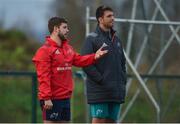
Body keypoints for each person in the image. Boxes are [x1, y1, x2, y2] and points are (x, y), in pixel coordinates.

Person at [32, 17, 108, 123]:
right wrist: (46, 98)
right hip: (52, 99)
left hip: (65, 98)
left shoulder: (68, 48)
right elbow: (43, 76)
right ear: (56, 29)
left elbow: (79, 60)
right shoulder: (44, 51)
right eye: (65, 27)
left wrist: (94, 56)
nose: (67, 30)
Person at [81, 5, 127, 123]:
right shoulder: (91, 39)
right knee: (99, 120)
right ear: (100, 19)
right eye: (109, 16)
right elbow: (85, 63)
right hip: (100, 91)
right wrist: (101, 80)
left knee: (112, 121)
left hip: (115, 91)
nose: (113, 18)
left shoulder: (116, 40)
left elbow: (122, 63)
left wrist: (123, 79)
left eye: (113, 15)